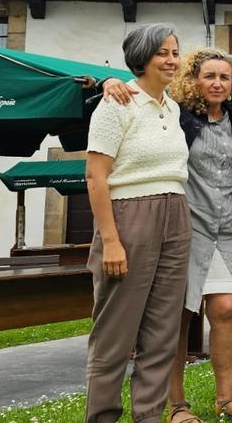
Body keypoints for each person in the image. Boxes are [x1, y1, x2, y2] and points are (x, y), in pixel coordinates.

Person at [102, 47, 232, 422]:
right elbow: (142, 95)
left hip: (231, 227)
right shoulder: (177, 115)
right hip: (186, 226)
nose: (218, 83)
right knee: (177, 316)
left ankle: (226, 399)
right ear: (194, 79)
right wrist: (106, 83)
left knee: (225, 308)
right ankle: (177, 405)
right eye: (210, 76)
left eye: (225, 77)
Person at [85, 24, 191, 423]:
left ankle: (148, 416)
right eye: (162, 52)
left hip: (176, 214)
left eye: (175, 52)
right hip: (130, 215)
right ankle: (102, 417)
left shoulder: (173, 107)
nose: (171, 60)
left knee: (163, 332)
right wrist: (110, 241)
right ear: (142, 58)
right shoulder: (116, 104)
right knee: (114, 333)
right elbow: (96, 176)